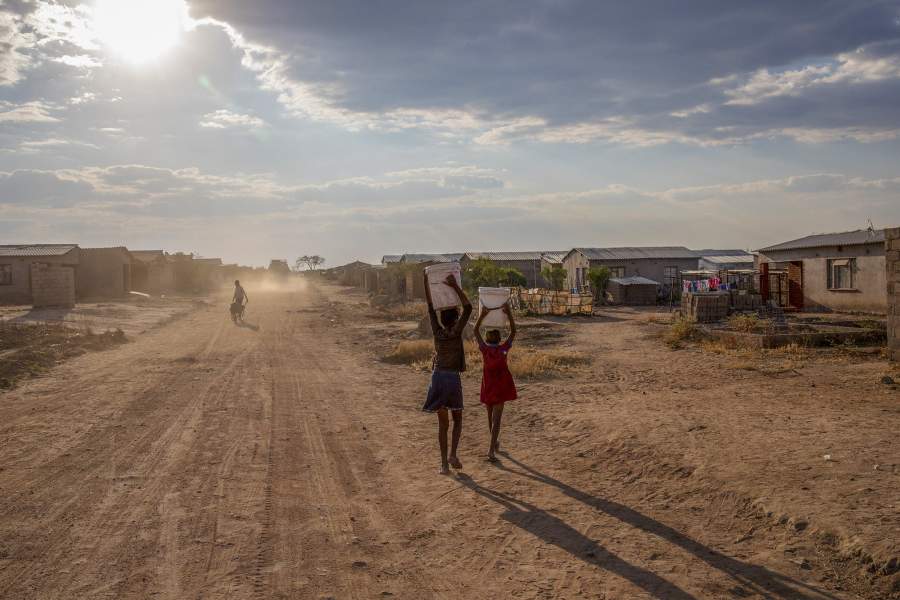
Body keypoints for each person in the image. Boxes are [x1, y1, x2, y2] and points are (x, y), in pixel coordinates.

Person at [422, 272, 473, 474]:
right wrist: (454, 286)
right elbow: (468, 307)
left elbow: (429, 307)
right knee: (457, 419)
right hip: (452, 378)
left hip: (437, 377)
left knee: (442, 425)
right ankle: (453, 454)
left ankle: (444, 464)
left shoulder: (437, 330)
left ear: (442, 318)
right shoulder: (456, 332)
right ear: (456, 318)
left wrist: (426, 281)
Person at [474, 302, 517, 462]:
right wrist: (509, 313)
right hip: (500, 387)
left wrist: (482, 315)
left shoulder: (485, 350)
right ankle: (491, 450)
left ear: (486, 339)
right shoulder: (503, 350)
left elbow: (475, 330)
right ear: (499, 339)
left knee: (490, 417)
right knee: (497, 419)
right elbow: (513, 331)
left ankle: (494, 444)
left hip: (488, 386)